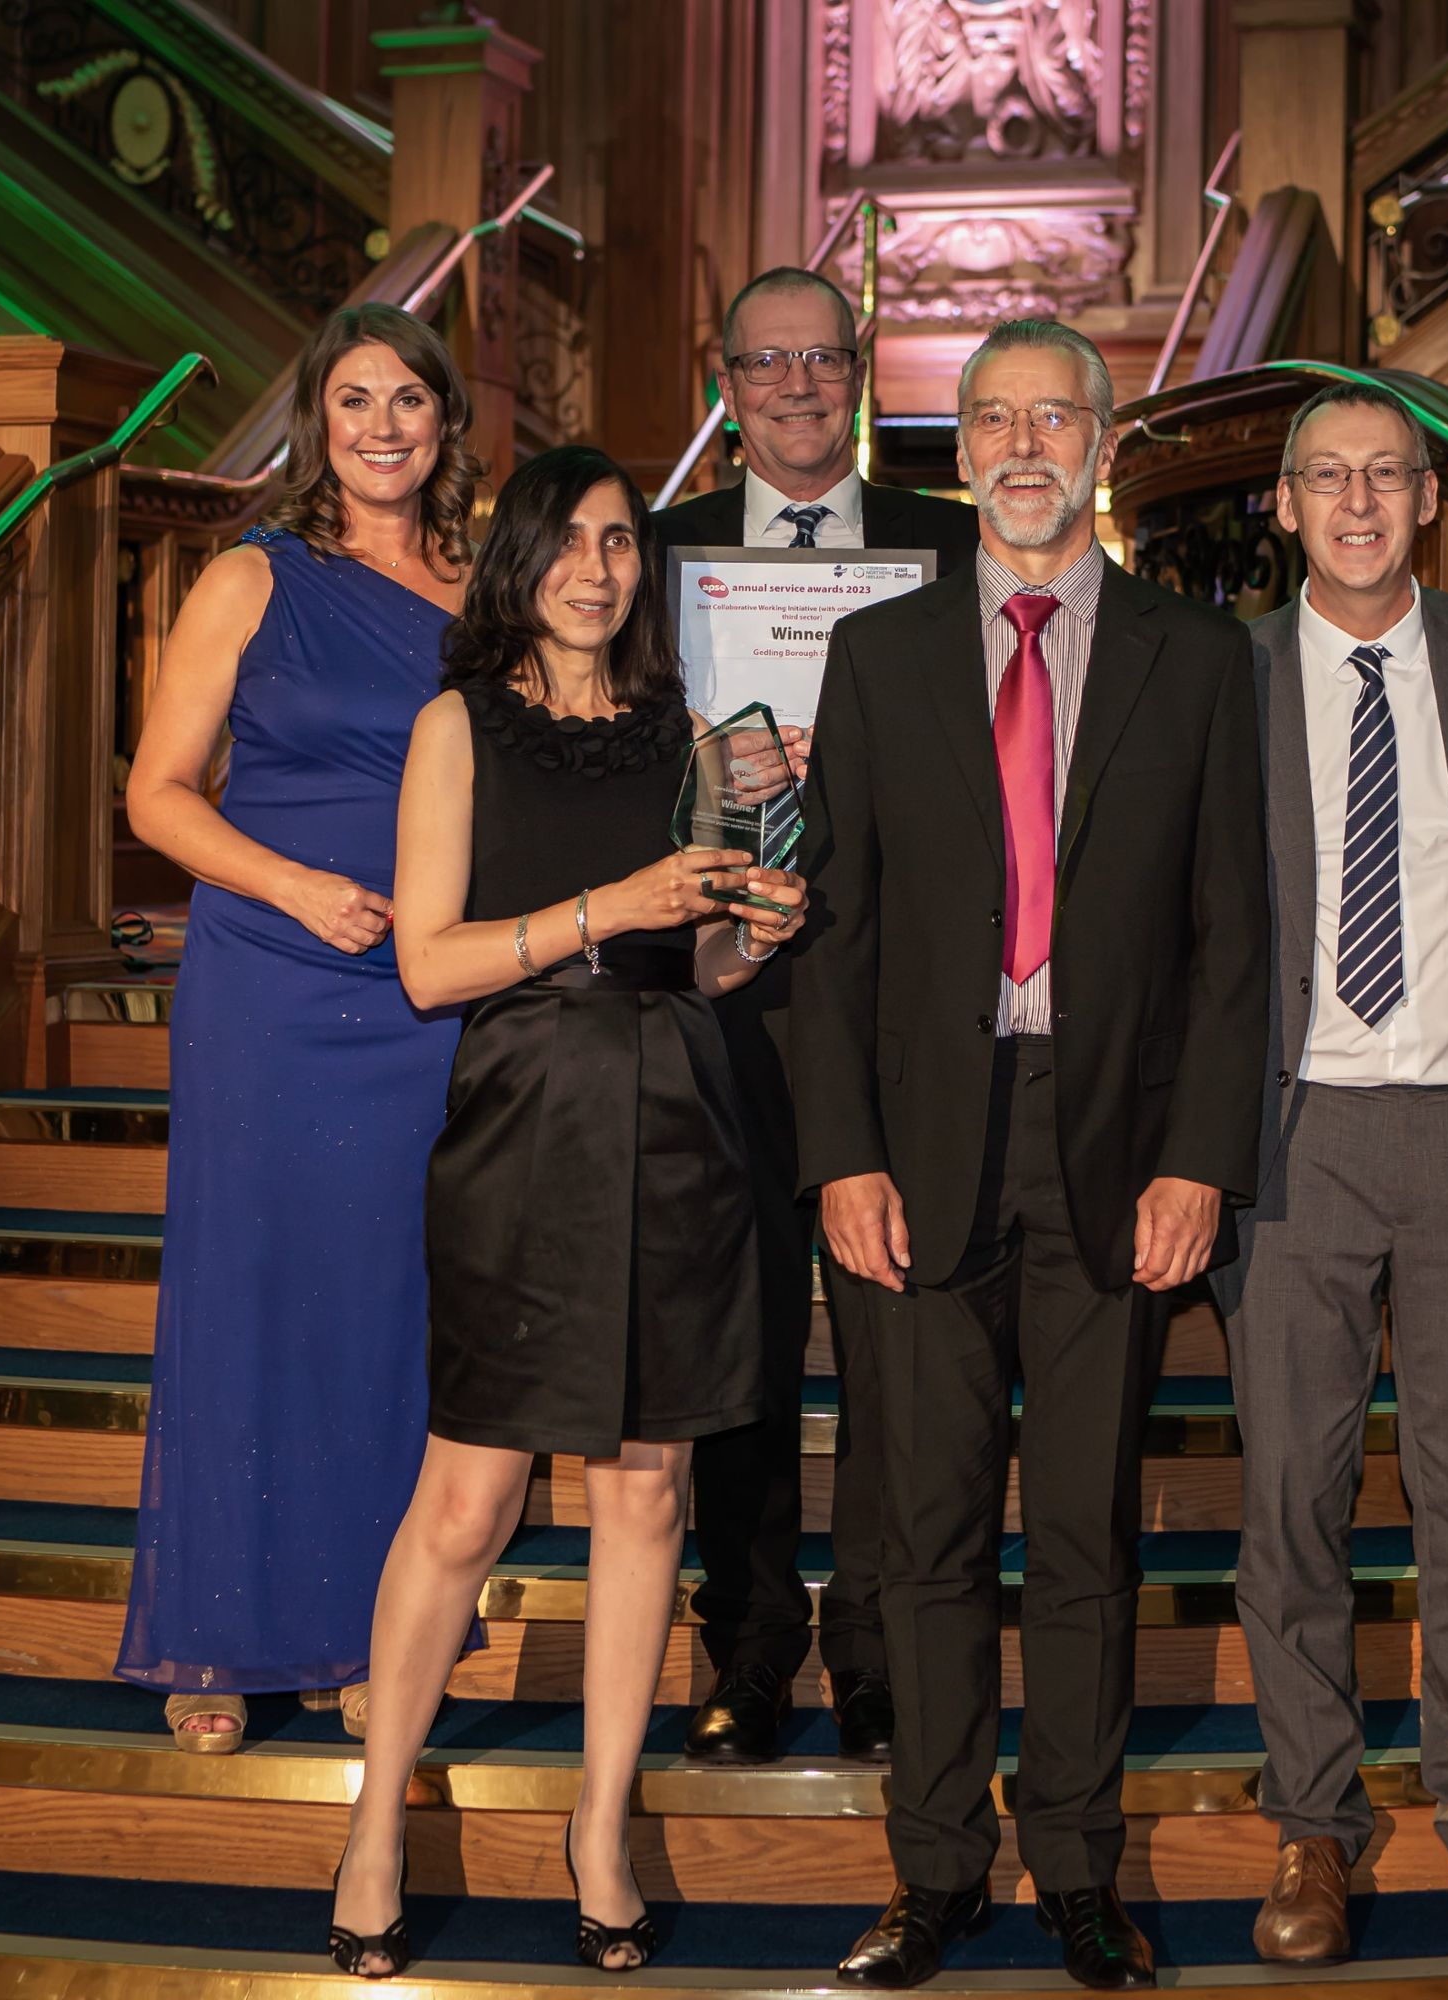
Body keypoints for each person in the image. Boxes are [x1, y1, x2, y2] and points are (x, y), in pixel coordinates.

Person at [790, 318, 1266, 1991]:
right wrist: (838, 1153)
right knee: (920, 1534)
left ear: (1103, 438)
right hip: (917, 1155)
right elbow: (829, 934)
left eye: (1052, 415)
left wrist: (1201, 1158)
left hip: (1115, 1148)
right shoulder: (881, 654)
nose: (1020, 444)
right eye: (990, 417)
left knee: (1082, 1536)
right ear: (957, 446)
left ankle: (1076, 1865)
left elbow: (1235, 941)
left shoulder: (1197, 658)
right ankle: (935, 1875)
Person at [325, 446, 808, 1980]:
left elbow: (709, 960)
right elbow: (427, 965)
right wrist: (614, 907)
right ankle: (377, 1825)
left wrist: (755, 924)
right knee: (467, 1502)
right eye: (571, 542)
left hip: (680, 1118)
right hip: (527, 1116)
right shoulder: (458, 724)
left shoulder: (686, 733)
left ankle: (599, 1830)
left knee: (648, 1494)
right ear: (520, 559)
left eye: (621, 544)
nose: (598, 569)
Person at [1211, 382, 1448, 1970]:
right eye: (1328, 477)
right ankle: (1315, 1824)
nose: (1360, 500)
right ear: (1284, 507)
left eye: (1388, 473)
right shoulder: (1220, 673)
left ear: (1431, 499)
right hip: (1294, 1132)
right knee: (1290, 1501)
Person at [115, 303, 479, 1754]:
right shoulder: (251, 578)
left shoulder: (482, 581)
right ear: (313, 427)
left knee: (389, 1308)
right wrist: (298, 886)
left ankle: (357, 1628)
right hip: (273, 977)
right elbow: (157, 794)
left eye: (409, 400)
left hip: (425, 986)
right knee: (251, 1293)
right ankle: (215, 1634)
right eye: (354, 403)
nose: (384, 427)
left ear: (445, 420)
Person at [653, 265, 982, 1767]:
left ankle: (874, 1643)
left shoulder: (953, 550)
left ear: (859, 372)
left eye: (823, 358)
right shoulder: (651, 560)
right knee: (740, 1347)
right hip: (709, 1000)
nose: (796, 385)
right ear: (723, 381)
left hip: (894, 1002)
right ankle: (749, 1643)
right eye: (764, 361)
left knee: (891, 1347)